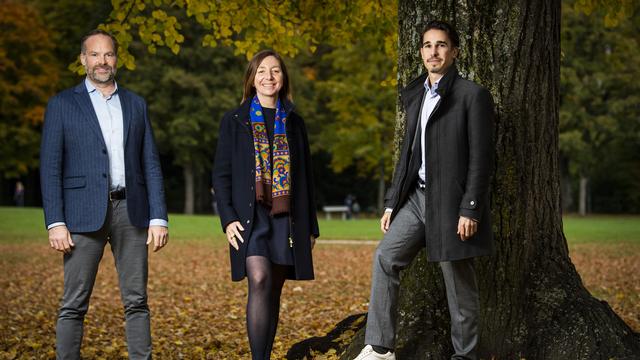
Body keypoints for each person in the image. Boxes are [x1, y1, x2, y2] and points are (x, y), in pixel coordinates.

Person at [355, 20, 494, 360]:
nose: (434, 51)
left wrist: (470, 207)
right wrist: (392, 204)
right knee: (386, 257)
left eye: (441, 45)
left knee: (457, 281)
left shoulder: (472, 95)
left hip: (452, 203)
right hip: (417, 198)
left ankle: (466, 355)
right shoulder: (417, 94)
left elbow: (482, 158)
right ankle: (381, 348)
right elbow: (407, 154)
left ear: (454, 52)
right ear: (421, 52)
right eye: (428, 45)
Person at [40, 29, 168, 359]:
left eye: (108, 54)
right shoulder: (62, 104)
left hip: (132, 212)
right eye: (94, 55)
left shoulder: (136, 104)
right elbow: (51, 167)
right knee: (73, 303)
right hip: (81, 215)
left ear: (116, 59)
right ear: (83, 59)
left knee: (137, 301)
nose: (102, 61)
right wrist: (55, 221)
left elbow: (150, 162)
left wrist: (159, 217)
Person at [212, 50, 319, 360]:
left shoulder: (295, 122)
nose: (268, 77)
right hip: (250, 216)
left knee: (273, 290)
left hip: (286, 219)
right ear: (251, 78)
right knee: (258, 278)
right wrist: (227, 219)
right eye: (261, 71)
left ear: (283, 78)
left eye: (275, 71)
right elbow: (221, 174)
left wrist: (310, 228)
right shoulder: (234, 120)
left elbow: (307, 179)